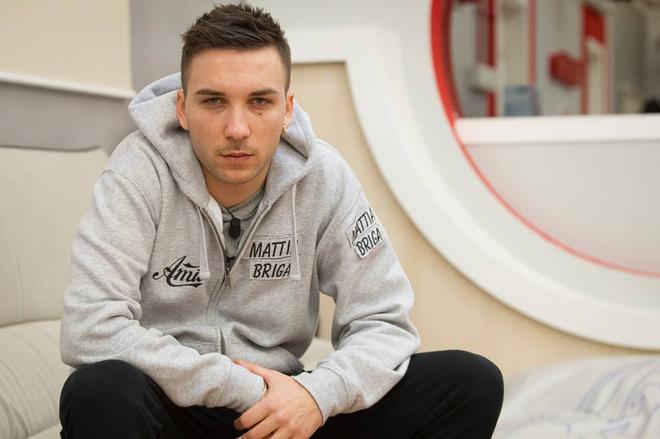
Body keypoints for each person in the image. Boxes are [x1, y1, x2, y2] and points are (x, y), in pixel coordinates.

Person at [58, 3, 503, 438]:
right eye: (213, 101)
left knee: (469, 381)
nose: (237, 128)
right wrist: (249, 390)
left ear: (287, 109)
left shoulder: (324, 177)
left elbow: (384, 322)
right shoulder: (138, 172)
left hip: (286, 415)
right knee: (99, 389)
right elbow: (90, 328)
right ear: (182, 108)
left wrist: (315, 396)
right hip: (175, 405)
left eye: (259, 101)